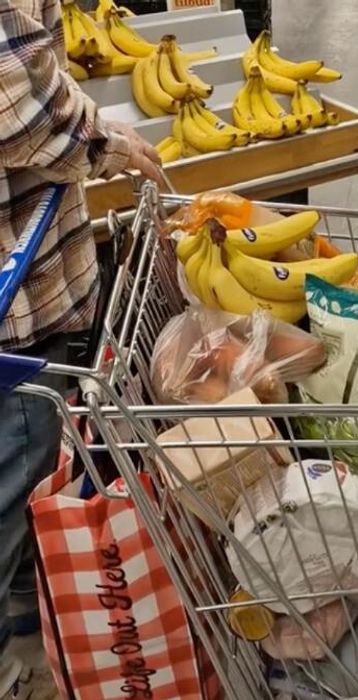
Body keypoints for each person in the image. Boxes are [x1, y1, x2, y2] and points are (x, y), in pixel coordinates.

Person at [0, 1, 162, 697]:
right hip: (19, 312)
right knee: (17, 474)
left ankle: (23, 625)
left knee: (29, 482)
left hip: (36, 284)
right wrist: (111, 144)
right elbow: (24, 115)